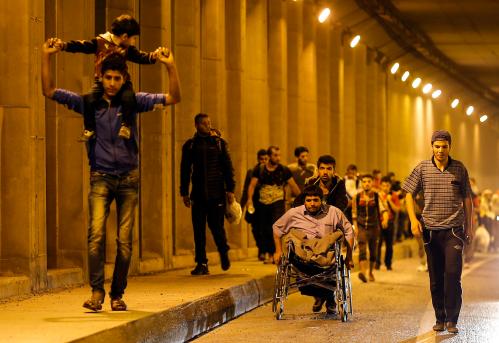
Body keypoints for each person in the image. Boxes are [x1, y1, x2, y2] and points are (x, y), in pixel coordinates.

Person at [41, 40, 181, 311]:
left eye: (117, 78)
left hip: (129, 178)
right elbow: (49, 91)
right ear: (100, 77)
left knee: (124, 242)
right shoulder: (89, 104)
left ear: (124, 78)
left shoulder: (134, 102)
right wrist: (46, 57)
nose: (112, 83)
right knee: (95, 236)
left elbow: (173, 98)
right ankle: (96, 292)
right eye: (108, 78)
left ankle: (117, 294)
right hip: (101, 177)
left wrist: (170, 66)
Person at [403, 130, 473, 334]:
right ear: (432, 146)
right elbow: (409, 193)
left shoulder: (459, 168)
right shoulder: (422, 168)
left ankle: (452, 319)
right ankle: (440, 318)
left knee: (452, 274)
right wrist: (413, 220)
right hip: (431, 231)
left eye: (444, 146)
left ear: (450, 147)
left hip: (453, 231)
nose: (440, 150)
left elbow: (467, 199)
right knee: (436, 278)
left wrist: (469, 226)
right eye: (437, 146)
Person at [52, 14, 159, 141]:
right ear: (125, 37)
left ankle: (126, 125)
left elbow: (140, 57)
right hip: (101, 81)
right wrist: (64, 46)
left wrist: (154, 56)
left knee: (129, 98)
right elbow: (82, 46)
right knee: (89, 99)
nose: (134, 42)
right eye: (134, 38)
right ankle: (90, 129)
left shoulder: (126, 49)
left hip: (122, 82)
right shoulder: (100, 42)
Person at [273, 185, 354, 314]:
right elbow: (277, 228)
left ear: (322, 200)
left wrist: (349, 257)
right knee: (292, 237)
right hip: (302, 257)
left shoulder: (334, 212)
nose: (312, 204)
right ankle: (322, 296)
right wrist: (278, 251)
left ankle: (327, 297)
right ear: (304, 201)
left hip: (326, 257)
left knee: (337, 237)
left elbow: (349, 231)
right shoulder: (294, 213)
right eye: (308, 200)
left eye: (315, 200)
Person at [180, 113, 236, 275]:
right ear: (197, 125)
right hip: (197, 194)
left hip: (216, 193)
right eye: (204, 123)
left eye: (209, 123)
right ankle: (201, 263)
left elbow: (227, 168)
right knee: (198, 230)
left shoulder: (219, 144)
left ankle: (223, 251)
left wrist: (230, 189)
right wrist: (184, 192)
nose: (208, 126)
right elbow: (185, 170)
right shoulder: (190, 146)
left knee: (217, 227)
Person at [246, 146, 301, 264]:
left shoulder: (283, 170)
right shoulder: (259, 170)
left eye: (279, 155)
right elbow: (252, 185)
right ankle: (270, 253)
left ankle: (277, 252)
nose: (278, 158)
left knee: (276, 227)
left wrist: (302, 199)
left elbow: (293, 185)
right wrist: (249, 200)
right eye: (275, 155)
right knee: (264, 229)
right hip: (263, 203)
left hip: (278, 202)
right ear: (269, 156)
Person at [352, 174, 389, 283]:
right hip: (362, 226)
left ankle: (371, 272)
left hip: (374, 227)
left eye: (368, 181)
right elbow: (354, 213)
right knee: (362, 249)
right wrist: (356, 227)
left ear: (372, 183)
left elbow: (384, 210)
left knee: (373, 252)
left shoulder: (377, 196)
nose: (366, 183)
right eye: (364, 181)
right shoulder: (357, 197)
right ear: (361, 183)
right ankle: (363, 273)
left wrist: (385, 220)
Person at [240, 149, 269, 260]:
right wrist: (242, 206)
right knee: (255, 228)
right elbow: (246, 189)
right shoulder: (251, 172)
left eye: (266, 159)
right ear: (258, 159)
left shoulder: (270, 171)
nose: (264, 161)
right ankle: (260, 248)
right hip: (254, 203)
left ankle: (263, 251)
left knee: (265, 228)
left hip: (266, 204)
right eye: (262, 159)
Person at [375, 176, 400, 270]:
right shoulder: (376, 195)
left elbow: (397, 209)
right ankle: (377, 264)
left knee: (389, 245)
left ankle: (388, 264)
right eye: (384, 185)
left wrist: (389, 201)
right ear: (380, 186)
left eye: (387, 186)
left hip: (390, 222)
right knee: (378, 244)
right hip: (378, 222)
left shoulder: (393, 195)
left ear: (390, 186)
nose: (385, 187)